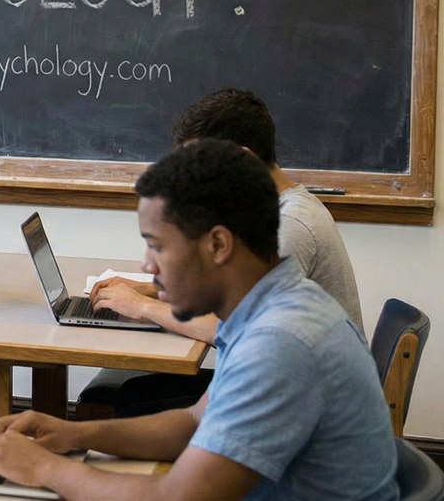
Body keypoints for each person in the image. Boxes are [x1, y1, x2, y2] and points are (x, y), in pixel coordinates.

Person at [0, 139, 396, 501]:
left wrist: (44, 469)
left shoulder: (281, 342)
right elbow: (194, 422)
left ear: (218, 245)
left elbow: (177, 497)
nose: (147, 266)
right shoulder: (272, 306)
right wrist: (76, 435)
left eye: (157, 246)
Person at [89, 87, 364, 414]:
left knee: (135, 404)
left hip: (306, 409)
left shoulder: (289, 225)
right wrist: (148, 289)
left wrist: (142, 308)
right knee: (137, 394)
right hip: (287, 385)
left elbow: (229, 328)